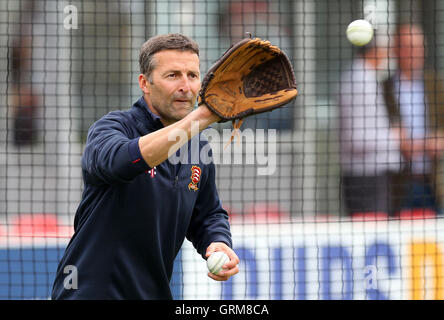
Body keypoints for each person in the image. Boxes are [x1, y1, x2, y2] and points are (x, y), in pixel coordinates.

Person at [51, 33, 240, 299]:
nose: (186, 86)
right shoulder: (112, 128)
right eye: (173, 75)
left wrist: (217, 242)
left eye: (193, 75)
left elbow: (207, 213)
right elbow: (122, 161)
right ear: (145, 83)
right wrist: (202, 117)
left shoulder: (198, 145)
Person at [338, 34, 403, 216]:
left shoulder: (366, 77)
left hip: (373, 178)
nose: (387, 53)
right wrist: (396, 137)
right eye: (384, 48)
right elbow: (357, 139)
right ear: (374, 50)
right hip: (366, 180)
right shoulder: (360, 81)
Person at [383, 23, 444, 213]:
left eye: (417, 47)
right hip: (399, 184)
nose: (413, 53)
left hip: (435, 182)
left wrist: (428, 143)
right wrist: (425, 144)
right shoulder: (384, 89)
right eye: (407, 46)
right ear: (396, 50)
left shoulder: (437, 86)